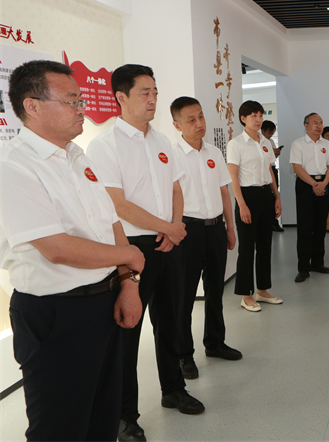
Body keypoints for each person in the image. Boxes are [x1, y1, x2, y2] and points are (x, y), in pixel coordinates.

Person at [1, 60, 143, 441]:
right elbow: (57, 248)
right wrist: (130, 257)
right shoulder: (14, 165)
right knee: (60, 428)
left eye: (81, 100)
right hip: (56, 314)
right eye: (71, 101)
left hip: (104, 302)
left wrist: (129, 282)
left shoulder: (77, 156)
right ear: (32, 106)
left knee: (102, 418)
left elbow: (111, 223)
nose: (82, 108)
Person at [87, 64, 203, 442]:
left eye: (155, 91)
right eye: (144, 92)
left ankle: (173, 389)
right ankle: (124, 415)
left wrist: (175, 226)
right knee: (128, 333)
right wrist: (167, 227)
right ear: (120, 97)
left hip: (169, 244)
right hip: (131, 247)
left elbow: (175, 189)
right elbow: (117, 204)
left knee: (171, 322)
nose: (153, 98)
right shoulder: (104, 145)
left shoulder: (163, 141)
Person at [170, 97, 242, 381]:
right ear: (177, 125)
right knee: (185, 296)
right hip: (188, 231)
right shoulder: (171, 156)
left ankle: (214, 342)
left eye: (200, 116)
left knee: (215, 290)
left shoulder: (214, 152)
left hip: (215, 229)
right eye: (191, 119)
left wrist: (230, 227)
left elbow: (224, 191)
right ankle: (184, 354)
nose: (199, 123)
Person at [227, 101, 283, 311]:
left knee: (265, 246)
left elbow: (270, 171)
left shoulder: (266, 142)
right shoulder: (236, 144)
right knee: (247, 248)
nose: (258, 119)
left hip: (265, 195)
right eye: (253, 116)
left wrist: (277, 197)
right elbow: (233, 177)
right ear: (243, 119)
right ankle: (246, 294)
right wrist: (241, 204)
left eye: (260, 115)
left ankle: (263, 290)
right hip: (247, 197)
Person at [290, 112, 329, 282]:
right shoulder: (298, 144)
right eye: (315, 123)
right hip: (305, 185)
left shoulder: (327, 144)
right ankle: (303, 267)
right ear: (306, 125)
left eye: (321, 123)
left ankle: (317, 263)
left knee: (320, 226)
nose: (319, 126)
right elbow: (297, 168)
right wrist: (315, 185)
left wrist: (323, 184)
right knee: (305, 227)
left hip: (324, 183)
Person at [261, 120, 284, 232]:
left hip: (272, 168)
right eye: (269, 133)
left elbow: (274, 158)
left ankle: (275, 222)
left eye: (272, 133)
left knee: (274, 196)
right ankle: (267, 223)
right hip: (264, 170)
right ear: (262, 131)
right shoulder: (259, 142)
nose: (270, 135)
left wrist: (277, 152)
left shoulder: (270, 142)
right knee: (266, 197)